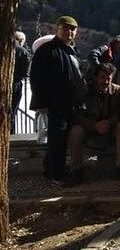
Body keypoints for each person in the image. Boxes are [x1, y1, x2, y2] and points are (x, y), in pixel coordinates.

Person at [30, 16, 86, 183]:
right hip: (54, 104)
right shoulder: (46, 50)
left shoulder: (72, 50)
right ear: (57, 29)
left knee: (59, 138)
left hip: (70, 104)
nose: (69, 32)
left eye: (72, 29)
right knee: (57, 139)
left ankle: (51, 169)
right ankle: (58, 175)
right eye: (65, 28)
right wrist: (42, 104)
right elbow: (36, 79)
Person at [68, 63, 120, 182]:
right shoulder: (85, 91)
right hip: (90, 129)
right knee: (75, 131)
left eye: (109, 78)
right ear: (95, 77)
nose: (106, 82)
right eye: (102, 78)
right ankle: (76, 169)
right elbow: (77, 115)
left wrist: (109, 123)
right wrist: (93, 126)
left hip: (109, 128)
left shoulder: (118, 91)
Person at [12, 31, 31, 134]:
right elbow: (25, 72)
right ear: (21, 40)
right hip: (15, 84)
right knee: (12, 112)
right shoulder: (23, 51)